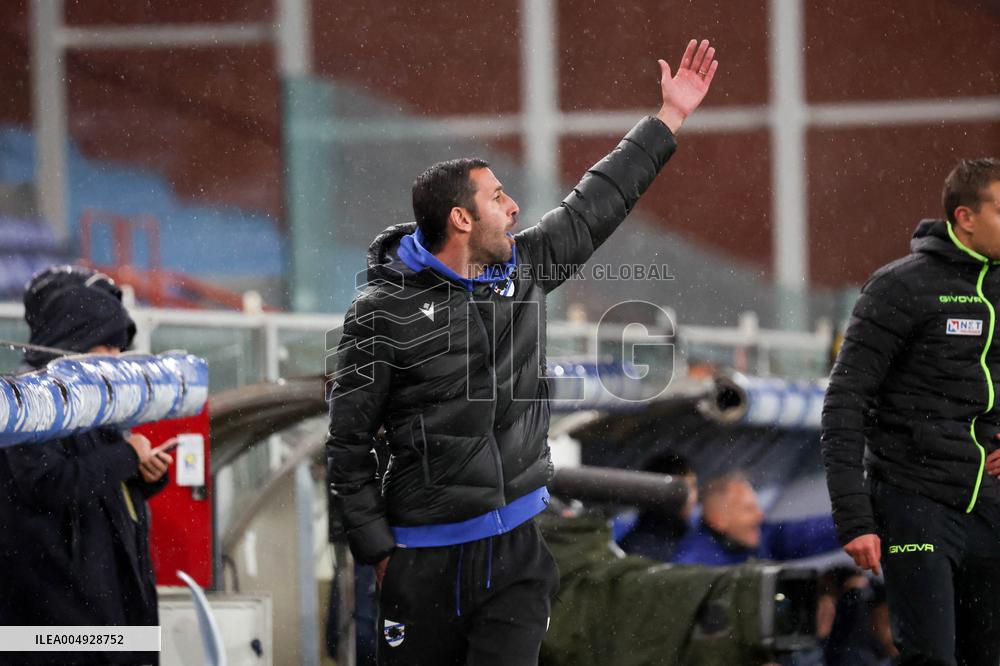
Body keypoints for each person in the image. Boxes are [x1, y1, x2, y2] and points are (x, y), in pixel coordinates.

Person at [327, 39, 719, 666]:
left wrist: (669, 117)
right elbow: (347, 446)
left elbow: (595, 205)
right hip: (422, 559)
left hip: (516, 550)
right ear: (460, 219)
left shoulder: (523, 268)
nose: (514, 207)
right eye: (497, 198)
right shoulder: (381, 313)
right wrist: (376, 549)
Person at [822, 157, 1000, 665]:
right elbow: (843, 402)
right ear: (965, 217)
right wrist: (854, 518)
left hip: (988, 503)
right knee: (932, 659)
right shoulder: (898, 287)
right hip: (913, 504)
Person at [0, 266, 173, 666]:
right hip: (56, 632)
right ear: (73, 340)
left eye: (119, 349)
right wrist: (127, 456)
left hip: (105, 626)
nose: (115, 359)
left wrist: (142, 476)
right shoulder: (28, 408)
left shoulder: (93, 411)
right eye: (106, 346)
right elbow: (49, 485)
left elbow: (96, 495)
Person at [672, 471, 840, 566]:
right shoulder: (696, 564)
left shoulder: (758, 537)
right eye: (748, 509)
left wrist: (856, 523)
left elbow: (805, 535)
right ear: (718, 520)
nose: (760, 515)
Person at [617, 449, 698, 562]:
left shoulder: (693, 535)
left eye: (693, 486)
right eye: (680, 489)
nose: (691, 497)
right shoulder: (640, 549)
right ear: (658, 492)